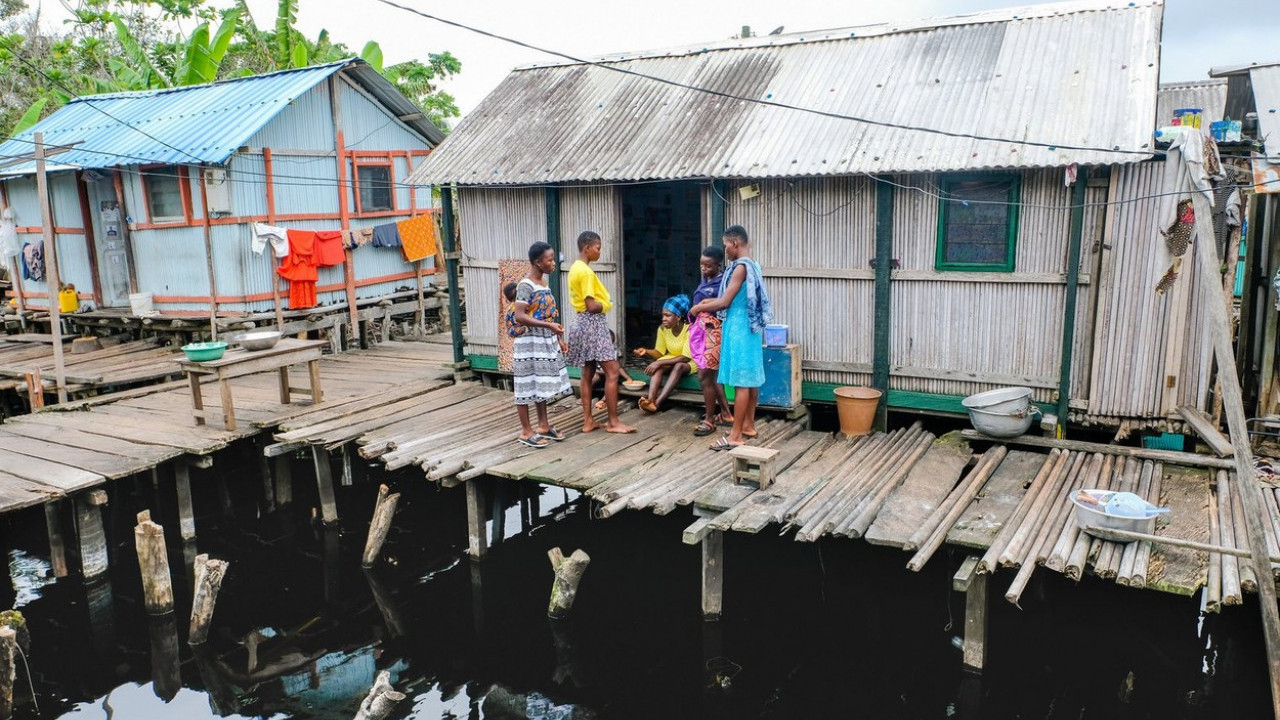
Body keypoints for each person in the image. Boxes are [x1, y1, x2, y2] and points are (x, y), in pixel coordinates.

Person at [689, 225, 771, 450]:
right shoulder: (755, 265)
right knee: (750, 378)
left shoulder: (740, 268)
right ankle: (748, 426)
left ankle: (735, 436)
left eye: (726, 245)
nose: (725, 249)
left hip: (739, 326)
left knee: (741, 382)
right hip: (751, 327)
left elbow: (725, 301)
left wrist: (697, 308)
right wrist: (707, 303)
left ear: (735, 243)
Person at [566, 231, 635, 434]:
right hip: (592, 323)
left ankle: (588, 421)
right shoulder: (586, 272)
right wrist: (607, 304)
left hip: (579, 322)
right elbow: (591, 305)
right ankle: (613, 422)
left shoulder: (574, 268)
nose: (599, 252)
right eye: (598, 248)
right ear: (587, 248)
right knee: (612, 371)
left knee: (587, 372)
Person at [511, 242, 571, 448]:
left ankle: (543, 425)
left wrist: (559, 339)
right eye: (550, 259)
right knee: (525, 385)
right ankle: (526, 431)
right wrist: (548, 326)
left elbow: (549, 313)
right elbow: (520, 316)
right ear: (538, 262)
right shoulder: (525, 285)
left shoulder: (543, 283)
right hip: (529, 343)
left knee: (540, 384)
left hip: (545, 340)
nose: (554, 263)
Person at [689, 245, 733, 437]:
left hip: (714, 333)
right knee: (712, 376)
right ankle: (725, 414)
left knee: (704, 376)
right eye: (702, 265)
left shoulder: (722, 283)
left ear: (718, 265)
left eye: (708, 266)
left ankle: (709, 419)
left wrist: (699, 307)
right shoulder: (706, 281)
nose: (704, 269)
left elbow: (722, 304)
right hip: (703, 334)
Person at [631, 294, 695, 413]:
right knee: (658, 366)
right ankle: (650, 401)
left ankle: (658, 403)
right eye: (663, 315)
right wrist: (646, 351)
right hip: (672, 357)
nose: (663, 319)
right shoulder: (662, 329)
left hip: (690, 361)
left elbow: (685, 358)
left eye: (668, 315)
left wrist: (659, 363)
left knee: (678, 366)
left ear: (678, 317)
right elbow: (660, 353)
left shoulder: (690, 330)